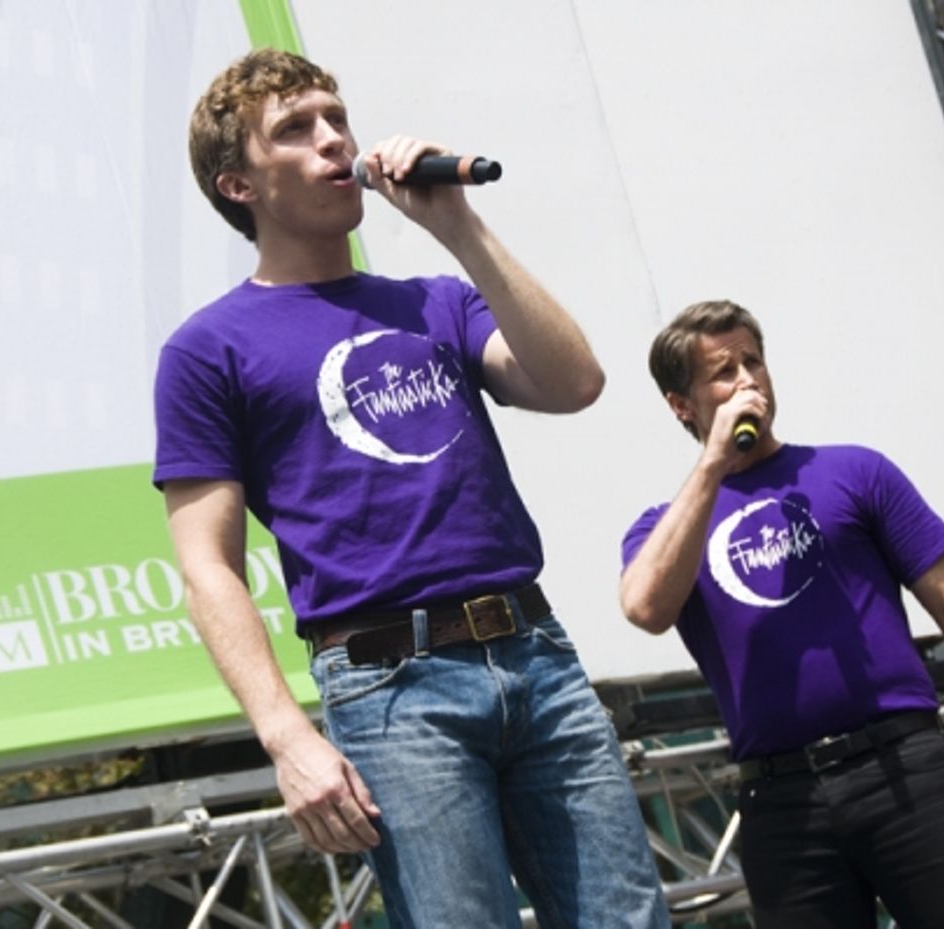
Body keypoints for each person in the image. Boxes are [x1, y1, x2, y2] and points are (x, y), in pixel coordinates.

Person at [154, 49, 668, 928]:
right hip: (390, 688)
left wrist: (459, 227)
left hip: (534, 652)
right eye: (296, 128)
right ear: (238, 184)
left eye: (335, 118)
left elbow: (573, 381)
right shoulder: (209, 348)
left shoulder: (435, 299)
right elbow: (209, 566)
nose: (333, 140)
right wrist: (287, 737)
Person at [619, 299, 944, 928]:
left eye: (753, 362)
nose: (747, 382)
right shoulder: (664, 527)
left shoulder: (855, 471)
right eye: (723, 372)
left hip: (903, 768)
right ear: (682, 404)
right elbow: (646, 607)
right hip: (781, 801)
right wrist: (714, 462)